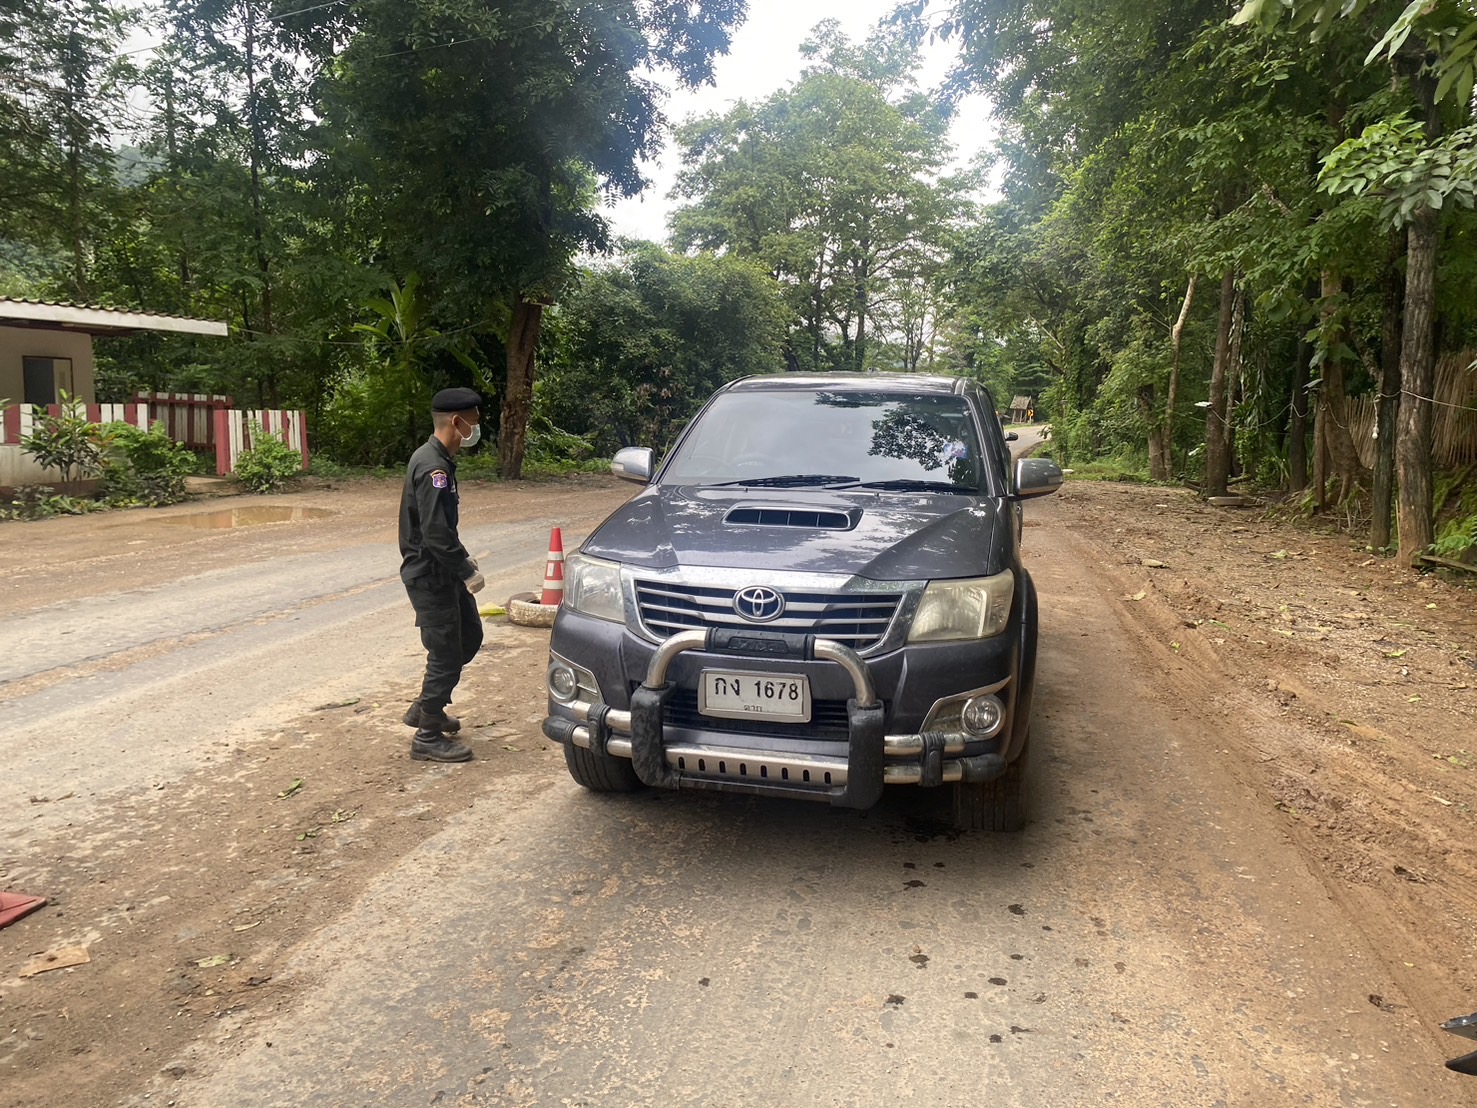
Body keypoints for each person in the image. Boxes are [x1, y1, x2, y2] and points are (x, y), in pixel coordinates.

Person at [398, 387, 487, 763]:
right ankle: (428, 735)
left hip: (443, 571)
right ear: (456, 422)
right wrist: (465, 570)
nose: (476, 430)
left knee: (470, 637)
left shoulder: (439, 460)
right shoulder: (432, 466)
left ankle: (426, 708)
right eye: (474, 423)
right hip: (430, 575)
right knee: (446, 653)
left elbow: (441, 528)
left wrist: (462, 559)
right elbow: (434, 534)